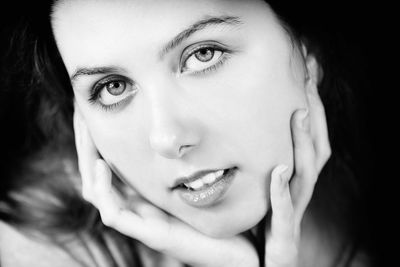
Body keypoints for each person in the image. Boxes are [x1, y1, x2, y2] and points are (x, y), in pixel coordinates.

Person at [0, 0, 373, 266]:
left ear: (306, 49)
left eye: (203, 54)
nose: (167, 138)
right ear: (78, 114)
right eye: (112, 87)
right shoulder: (33, 249)